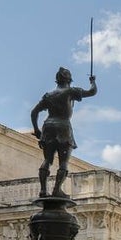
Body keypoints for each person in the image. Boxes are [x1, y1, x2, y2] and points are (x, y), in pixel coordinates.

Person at [31, 67, 97, 198]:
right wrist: (93, 81)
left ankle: (43, 190)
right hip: (63, 127)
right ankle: (57, 189)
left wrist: (37, 130)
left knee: (47, 160)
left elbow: (34, 112)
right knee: (63, 162)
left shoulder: (48, 95)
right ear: (69, 80)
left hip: (48, 127)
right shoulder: (71, 91)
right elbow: (92, 92)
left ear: (57, 80)